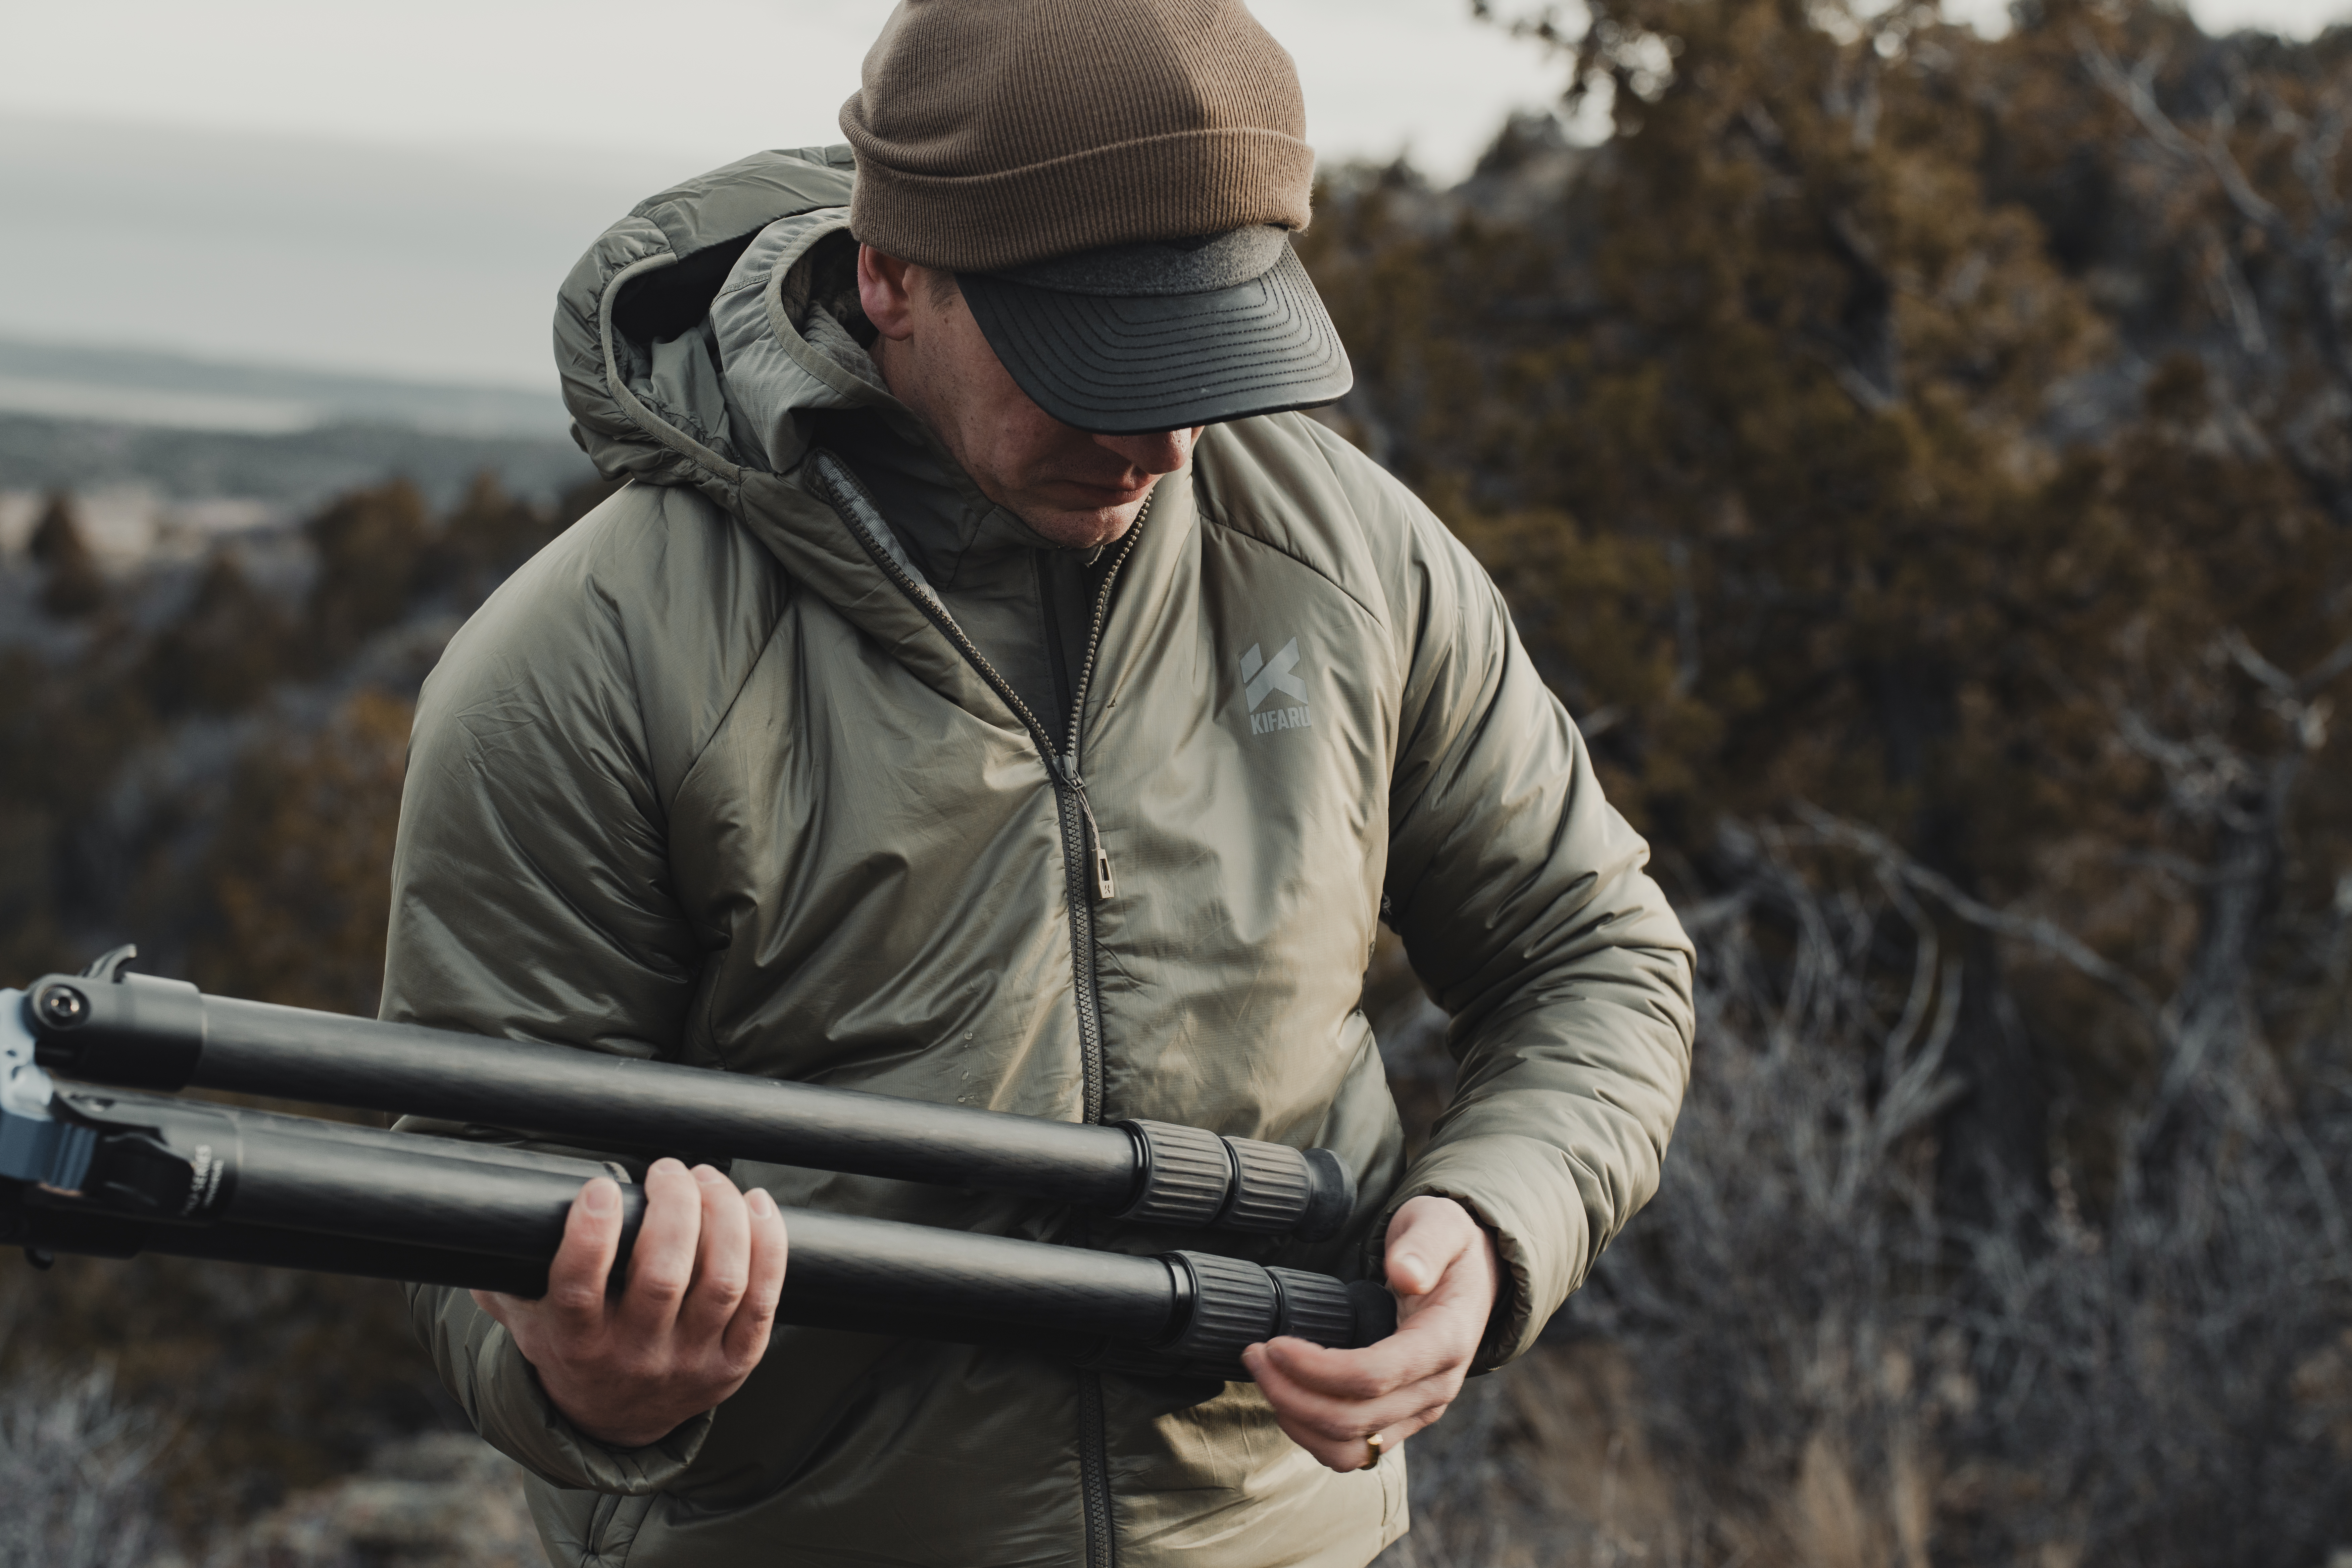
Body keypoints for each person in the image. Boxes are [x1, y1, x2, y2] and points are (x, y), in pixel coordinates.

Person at [381, 2, 1694, 1563]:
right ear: (892, 275)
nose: (1166, 438)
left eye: (1208, 356)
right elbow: (461, 1171)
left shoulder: (1355, 563)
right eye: (1096, 362)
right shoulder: (586, 658)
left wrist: (1495, 1217)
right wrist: (585, 1382)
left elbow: (1591, 953)